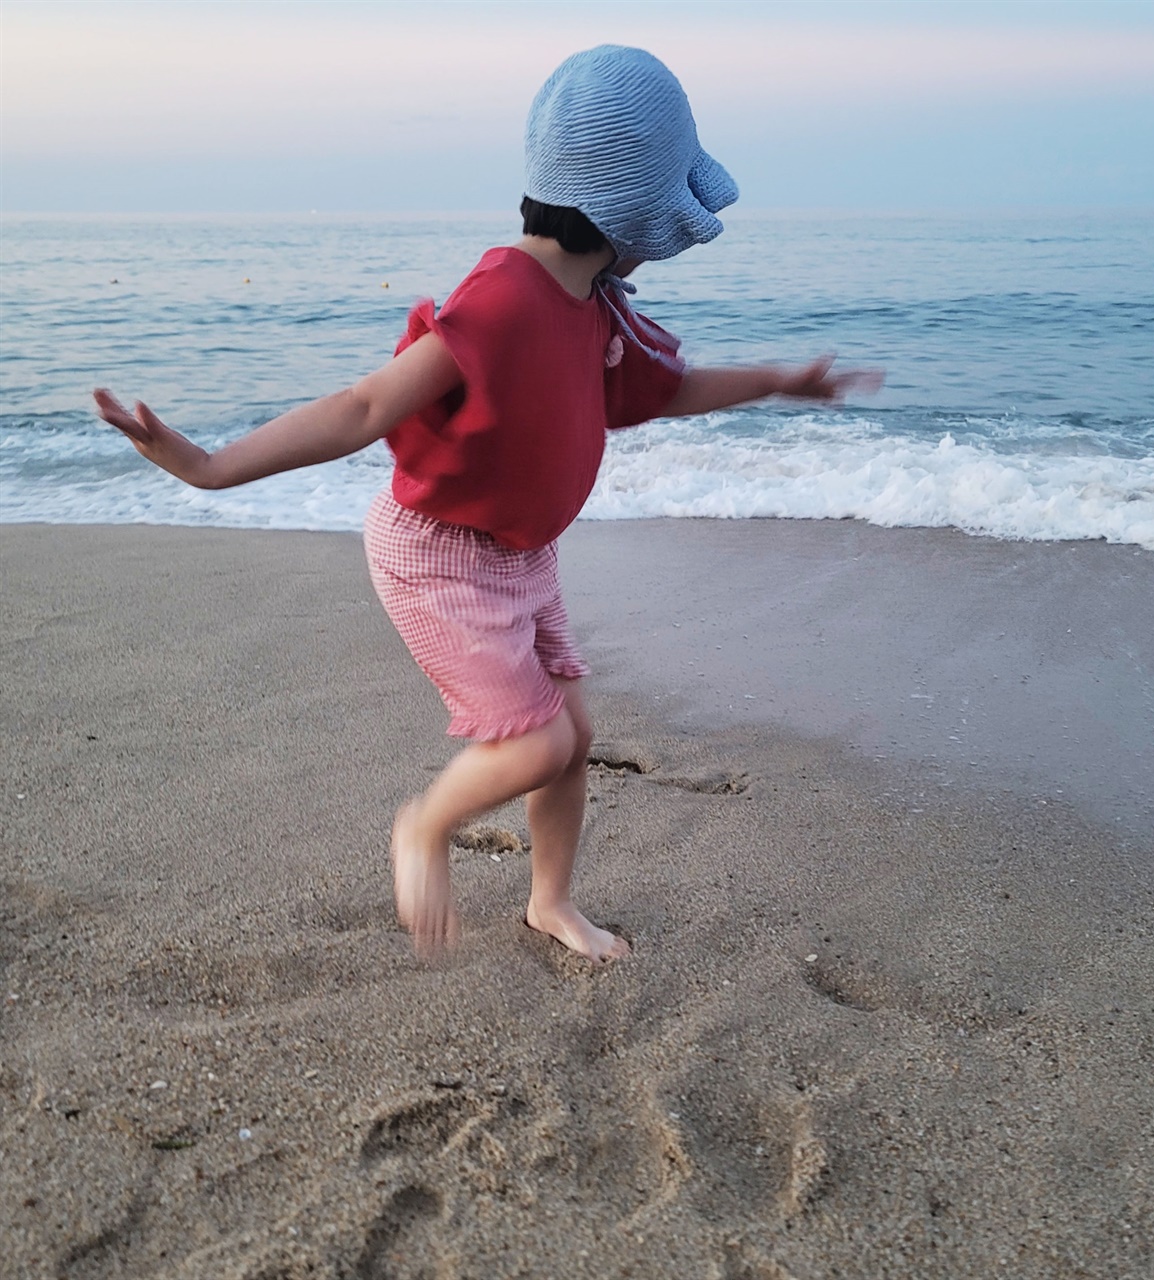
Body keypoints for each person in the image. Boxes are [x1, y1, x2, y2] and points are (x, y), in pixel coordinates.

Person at [93, 46, 883, 965]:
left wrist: (782, 381)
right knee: (537, 744)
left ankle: (551, 902)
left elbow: (666, 391)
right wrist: (210, 466)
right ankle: (423, 828)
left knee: (571, 736)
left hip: (522, 556)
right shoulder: (503, 296)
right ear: (630, 206)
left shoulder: (596, 306)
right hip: (440, 557)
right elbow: (366, 405)